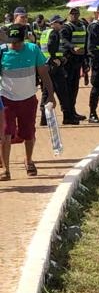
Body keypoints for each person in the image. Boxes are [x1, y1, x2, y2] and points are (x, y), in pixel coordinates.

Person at [0, 24, 57, 179]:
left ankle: (29, 160)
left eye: (18, 41)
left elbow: (44, 74)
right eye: (12, 41)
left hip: (28, 99)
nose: (15, 45)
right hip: (6, 100)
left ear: (23, 39)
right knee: (5, 134)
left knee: (29, 133)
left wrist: (51, 96)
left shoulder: (33, 50)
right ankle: (6, 169)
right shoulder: (2, 51)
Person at [39, 15, 72, 126]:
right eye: (60, 23)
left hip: (45, 65)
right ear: (53, 23)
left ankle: (44, 119)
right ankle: (67, 117)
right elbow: (50, 47)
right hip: (54, 67)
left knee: (46, 92)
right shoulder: (54, 33)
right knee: (62, 91)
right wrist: (56, 58)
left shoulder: (45, 32)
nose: (62, 25)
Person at [60, 7, 88, 123]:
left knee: (74, 88)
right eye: (72, 13)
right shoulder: (66, 27)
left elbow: (85, 43)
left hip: (78, 60)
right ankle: (67, 115)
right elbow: (64, 41)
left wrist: (85, 63)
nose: (74, 15)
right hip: (68, 60)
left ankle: (73, 111)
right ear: (69, 15)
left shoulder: (83, 25)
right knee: (67, 88)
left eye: (76, 13)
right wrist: (73, 47)